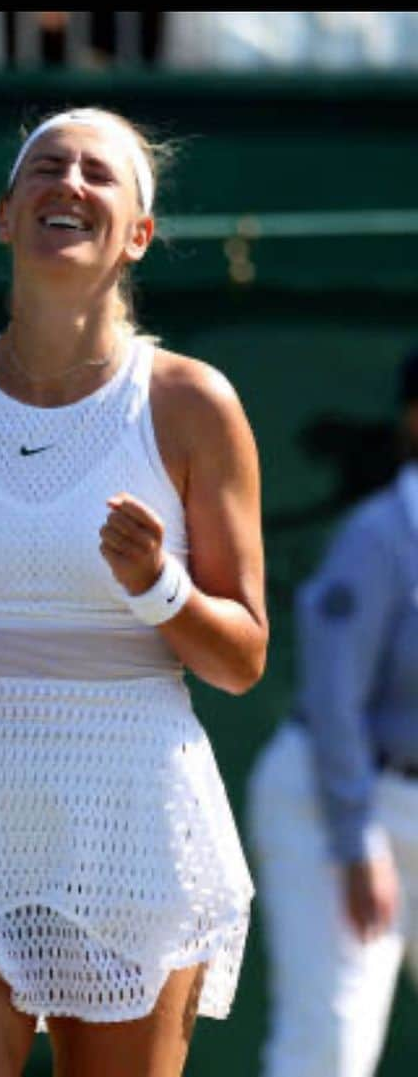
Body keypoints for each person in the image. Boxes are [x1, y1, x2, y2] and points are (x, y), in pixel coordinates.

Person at [0, 107, 268, 1077]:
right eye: (45, 168)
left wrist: (160, 588)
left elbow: (242, 656)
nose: (67, 185)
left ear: (139, 234)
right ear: (5, 214)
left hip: (130, 820)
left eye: (97, 175)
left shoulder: (194, 405)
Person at [248, 349, 418, 1077]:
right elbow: (335, 696)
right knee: (329, 1050)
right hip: (337, 798)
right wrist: (356, 839)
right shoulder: (378, 538)